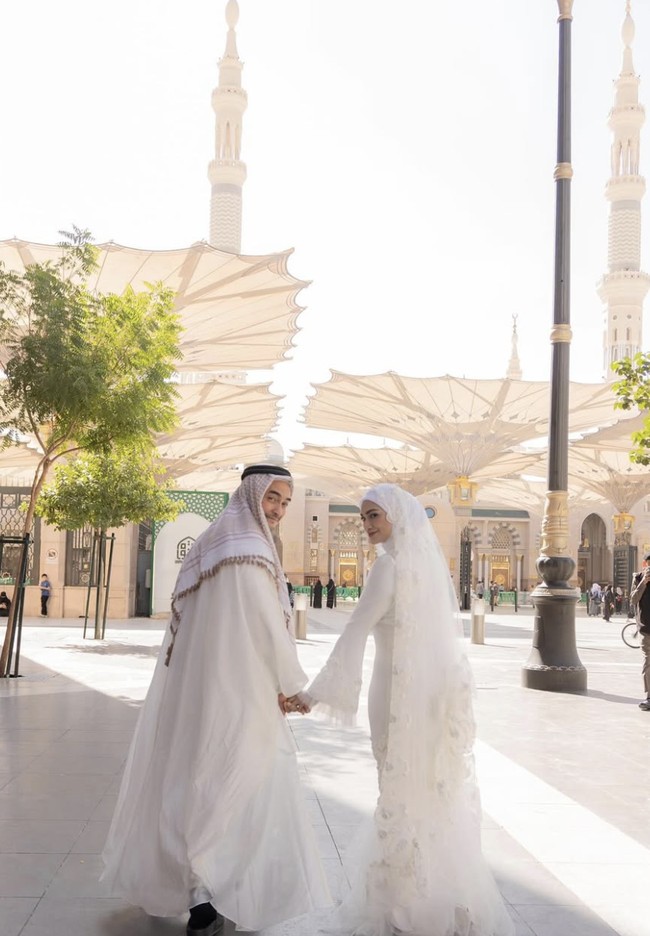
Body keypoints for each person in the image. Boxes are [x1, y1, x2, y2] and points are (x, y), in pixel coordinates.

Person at [101, 465, 330, 935]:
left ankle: (201, 890)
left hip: (196, 687)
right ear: (251, 496)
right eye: (273, 499)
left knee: (197, 778)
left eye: (286, 502)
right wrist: (291, 685)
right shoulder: (249, 551)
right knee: (233, 781)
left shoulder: (211, 543)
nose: (279, 510)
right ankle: (208, 890)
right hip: (239, 688)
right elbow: (266, 625)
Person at [294, 484, 513, 936]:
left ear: (396, 516)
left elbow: (355, 629)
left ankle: (404, 905)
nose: (369, 525)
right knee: (429, 794)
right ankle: (439, 895)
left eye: (375, 516)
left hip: (395, 698)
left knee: (398, 792)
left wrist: (312, 694)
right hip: (428, 699)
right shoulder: (424, 569)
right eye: (364, 518)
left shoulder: (387, 568)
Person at [630, 553, 650, 711]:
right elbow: (633, 599)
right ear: (645, 564)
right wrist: (644, 582)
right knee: (648, 663)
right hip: (645, 629)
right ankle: (649, 697)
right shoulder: (638, 579)